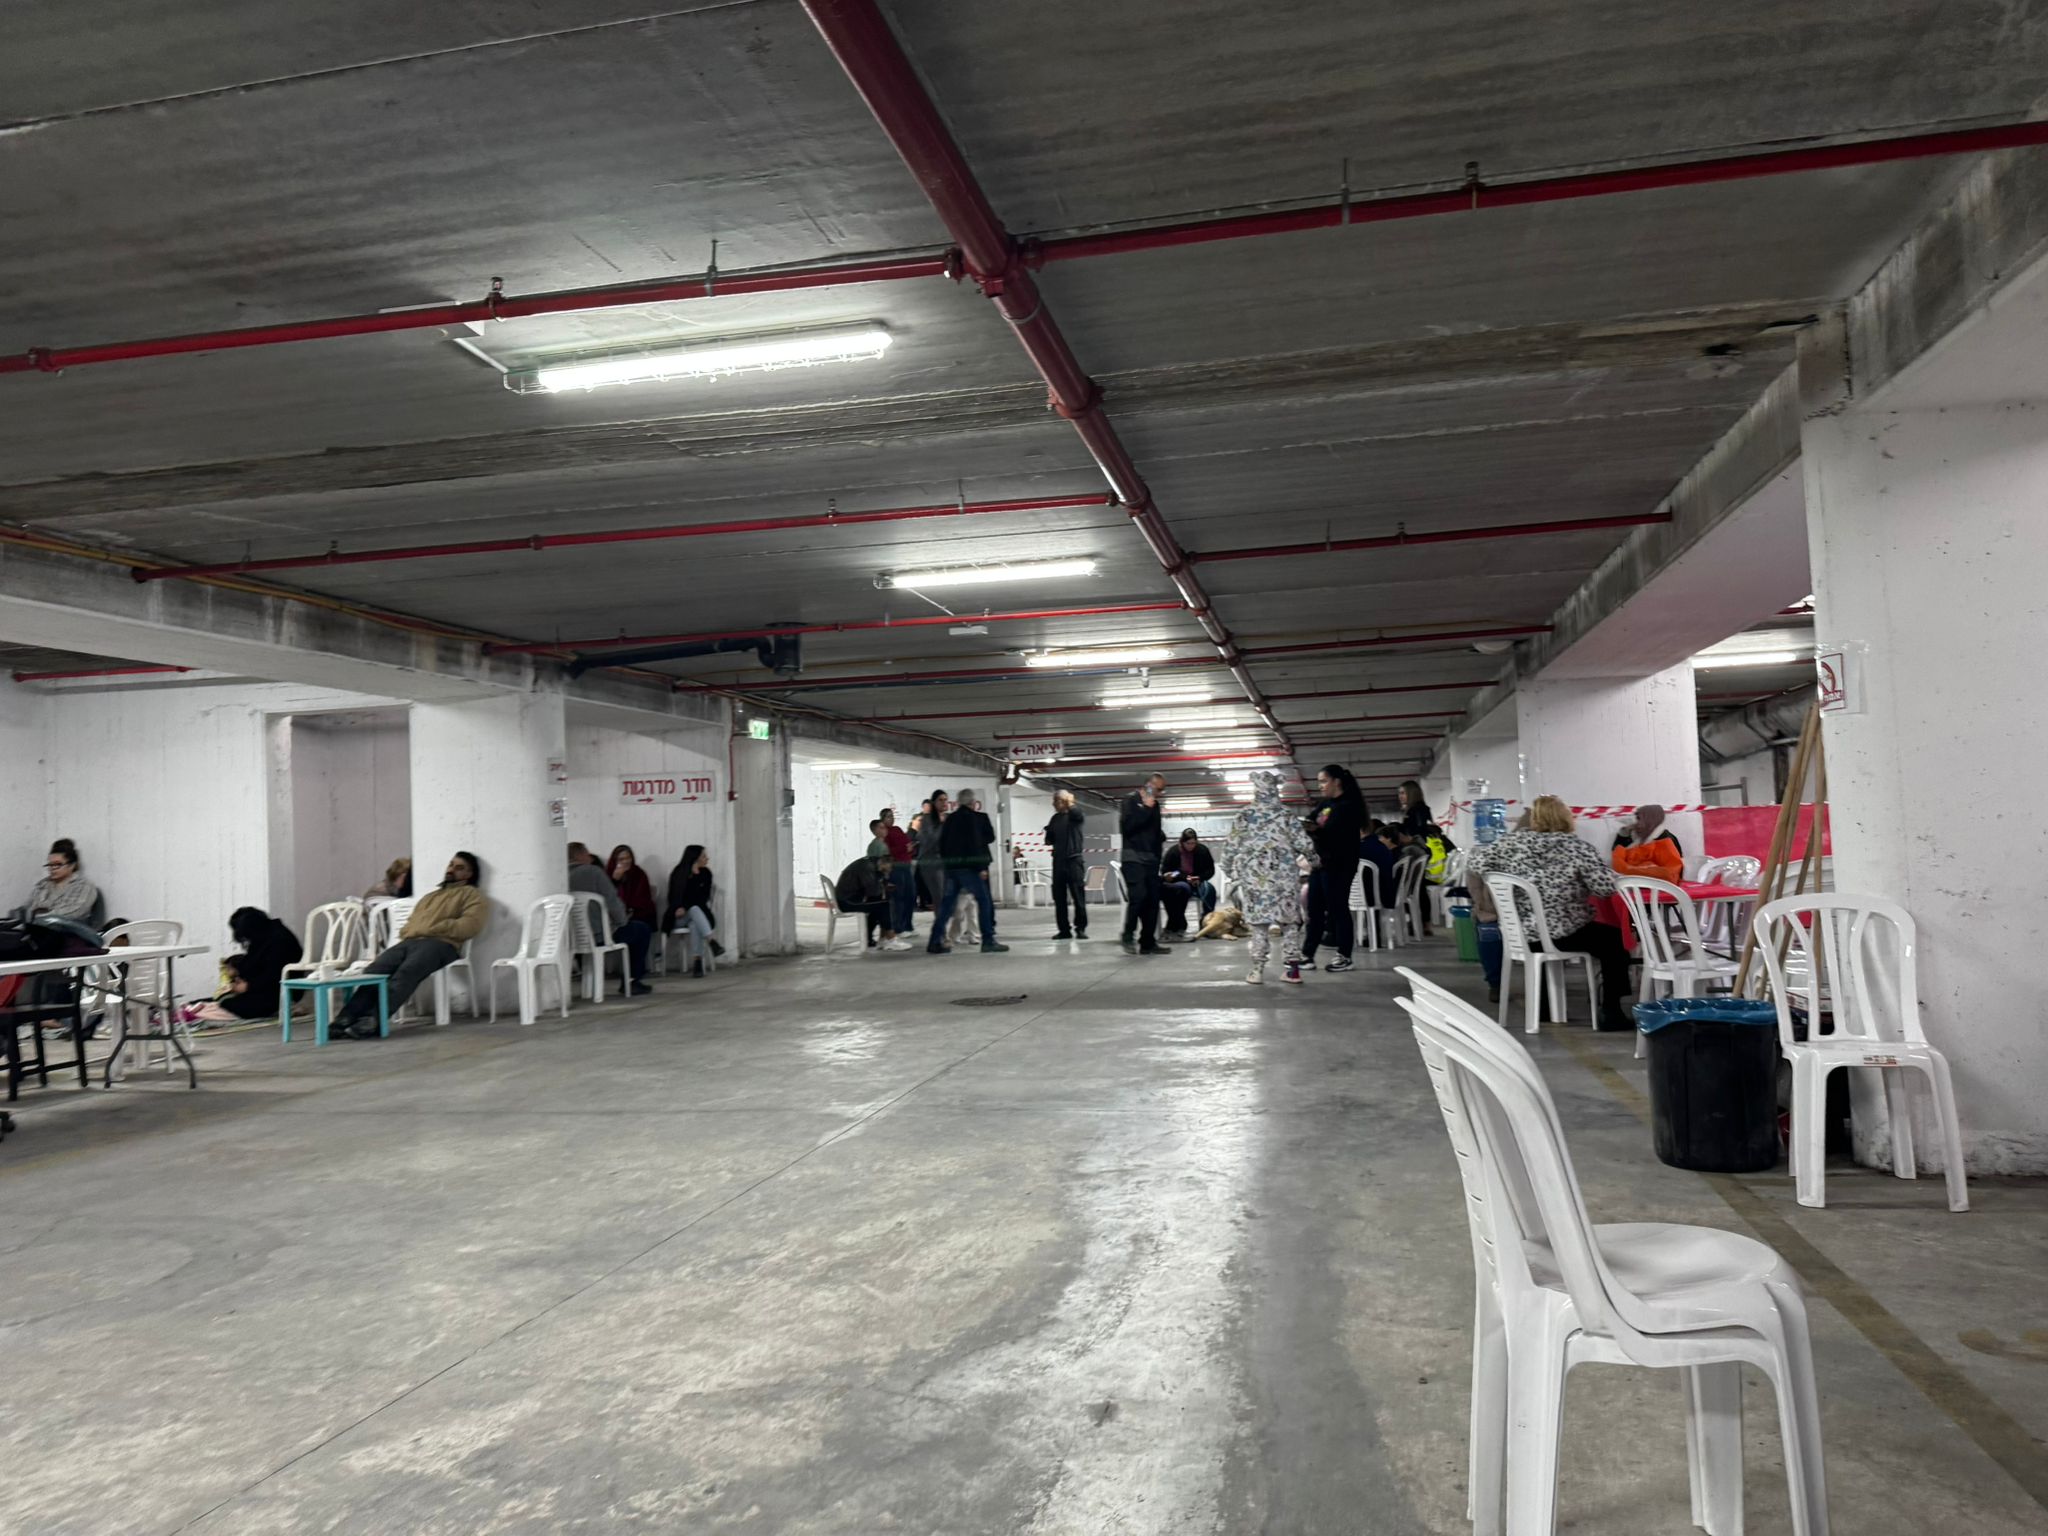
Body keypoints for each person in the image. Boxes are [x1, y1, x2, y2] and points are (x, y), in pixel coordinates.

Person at [1466, 795, 1633, 1031]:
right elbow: (1604, 888)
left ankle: (1543, 1006)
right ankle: (1612, 1010)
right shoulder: (1576, 847)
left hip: (1522, 933)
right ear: (1566, 818)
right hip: (1567, 932)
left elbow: (1474, 864)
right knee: (1614, 941)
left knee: (1550, 935)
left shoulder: (1508, 844)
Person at [333, 851, 489, 1039]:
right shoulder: (430, 897)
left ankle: (373, 1020)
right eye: (451, 865)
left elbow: (470, 926)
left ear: (469, 874)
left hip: (442, 944)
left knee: (407, 971)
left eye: (459, 867)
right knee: (375, 970)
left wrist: (436, 927)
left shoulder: (472, 895)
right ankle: (346, 1018)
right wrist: (416, 931)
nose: (452, 869)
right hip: (411, 941)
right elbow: (410, 925)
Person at [1222, 771, 1319, 984]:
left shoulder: (1245, 814)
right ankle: (1293, 970)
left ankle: (1257, 970)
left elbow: (1231, 844)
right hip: (1284, 877)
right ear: (1275, 789)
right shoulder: (1286, 814)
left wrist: (1227, 868)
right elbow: (1304, 843)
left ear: (1256, 789)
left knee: (1259, 923)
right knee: (1290, 922)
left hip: (1255, 878)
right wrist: (1314, 860)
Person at [929, 787, 1006, 954]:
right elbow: (977, 843)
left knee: (947, 905)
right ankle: (988, 940)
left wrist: (947, 864)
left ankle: (934, 941)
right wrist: (980, 867)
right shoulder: (976, 818)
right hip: (970, 868)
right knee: (984, 901)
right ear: (973, 802)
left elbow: (942, 844)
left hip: (952, 868)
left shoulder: (950, 819)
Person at [1301, 765, 1363, 972]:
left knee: (1338, 908)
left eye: (1324, 781)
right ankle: (1307, 955)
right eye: (1318, 782)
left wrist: (1316, 831)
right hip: (1321, 864)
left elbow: (1336, 836)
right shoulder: (1325, 805)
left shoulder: (1349, 806)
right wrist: (1308, 827)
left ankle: (1345, 955)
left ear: (1337, 781)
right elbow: (1311, 822)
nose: (1320, 786)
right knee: (1314, 909)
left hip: (1340, 864)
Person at [569, 842, 653, 995]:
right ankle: (632, 980)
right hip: (600, 935)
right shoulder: (594, 872)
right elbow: (612, 900)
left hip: (573, 938)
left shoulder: (559, 876)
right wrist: (622, 921)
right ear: (581, 855)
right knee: (641, 930)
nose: (590, 857)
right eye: (587, 854)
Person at [191, 906, 302, 1021]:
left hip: (280, 991)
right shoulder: (263, 936)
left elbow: (274, 975)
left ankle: (285, 1008)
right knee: (220, 1000)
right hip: (262, 988)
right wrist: (237, 971)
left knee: (229, 1004)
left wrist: (248, 986)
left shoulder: (280, 940)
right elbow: (253, 962)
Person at [1119, 773, 1169, 955]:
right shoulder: (1130, 800)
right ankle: (1127, 935)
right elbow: (1128, 827)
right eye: (1158, 789)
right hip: (1133, 857)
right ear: (1149, 785)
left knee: (1153, 900)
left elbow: (1156, 832)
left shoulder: (1155, 805)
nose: (1161, 793)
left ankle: (1148, 942)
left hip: (1151, 859)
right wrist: (1146, 809)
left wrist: (1158, 853)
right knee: (1138, 897)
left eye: (1162, 790)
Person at [666, 845, 721, 977]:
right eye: (703, 856)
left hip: (696, 913)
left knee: (695, 920)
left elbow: (703, 898)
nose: (707, 858)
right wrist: (680, 907)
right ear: (695, 858)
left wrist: (686, 905)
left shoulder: (706, 874)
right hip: (678, 917)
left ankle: (698, 964)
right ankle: (711, 941)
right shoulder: (679, 873)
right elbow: (672, 897)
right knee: (695, 911)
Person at [836, 852, 906, 950]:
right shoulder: (867, 868)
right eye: (889, 869)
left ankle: (879, 938)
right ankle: (890, 938)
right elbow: (872, 891)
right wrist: (884, 884)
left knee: (880, 903)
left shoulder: (872, 862)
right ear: (885, 864)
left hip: (851, 897)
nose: (889, 872)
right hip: (847, 901)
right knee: (882, 905)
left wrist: (883, 885)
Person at [1045, 790, 1089, 941]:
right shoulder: (1055, 818)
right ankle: (1064, 929)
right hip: (1058, 861)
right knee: (1059, 897)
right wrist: (1048, 834)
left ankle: (1081, 928)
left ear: (1063, 802)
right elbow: (1049, 839)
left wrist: (1069, 802)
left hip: (1073, 861)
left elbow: (1077, 813)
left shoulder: (1075, 816)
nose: (1053, 804)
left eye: (1055, 801)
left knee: (1078, 896)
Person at [1158, 828, 1217, 938]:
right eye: (1188, 843)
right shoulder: (1173, 852)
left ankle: (1207, 920)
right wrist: (1184, 877)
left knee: (1210, 890)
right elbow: (1167, 872)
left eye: (1193, 843)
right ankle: (1179, 922)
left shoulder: (1202, 850)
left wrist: (1199, 877)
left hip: (1199, 880)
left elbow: (1210, 870)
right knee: (1181, 890)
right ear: (1182, 842)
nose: (1191, 846)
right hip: (1181, 881)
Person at [28, 839, 101, 926]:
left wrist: (44, 914)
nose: (52, 868)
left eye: (57, 864)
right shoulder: (42, 885)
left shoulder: (84, 886)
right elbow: (31, 909)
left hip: (70, 933)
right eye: (50, 865)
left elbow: (75, 912)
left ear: (72, 865)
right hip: (40, 929)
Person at [1611, 803, 1685, 880]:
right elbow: (1617, 852)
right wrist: (1625, 831)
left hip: (1660, 885)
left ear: (1650, 819)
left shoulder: (1665, 839)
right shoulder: (1641, 838)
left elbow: (1672, 871)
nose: (1636, 823)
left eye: (1639, 818)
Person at [879, 808, 918, 939]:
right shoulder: (885, 833)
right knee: (899, 898)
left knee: (911, 896)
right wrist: (904, 848)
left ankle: (908, 925)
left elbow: (906, 843)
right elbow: (888, 851)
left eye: (892, 816)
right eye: (888, 817)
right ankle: (898, 927)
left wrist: (910, 848)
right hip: (896, 867)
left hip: (906, 865)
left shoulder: (897, 830)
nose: (892, 818)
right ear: (883, 819)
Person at [915, 790, 950, 923]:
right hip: (930, 861)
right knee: (939, 897)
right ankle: (941, 931)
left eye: (945, 800)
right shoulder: (926, 819)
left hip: (944, 861)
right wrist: (941, 824)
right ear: (934, 802)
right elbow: (930, 840)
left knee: (949, 896)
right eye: (940, 800)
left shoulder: (947, 818)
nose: (944, 803)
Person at [606, 845, 659, 927]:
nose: (625, 861)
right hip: (614, 916)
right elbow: (607, 897)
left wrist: (629, 909)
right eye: (621, 859)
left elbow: (643, 897)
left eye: (628, 858)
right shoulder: (608, 873)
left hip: (636, 913)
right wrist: (615, 881)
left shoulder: (639, 873)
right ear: (615, 861)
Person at [1358, 821, 1402, 911]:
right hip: (1387, 894)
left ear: (1361, 831)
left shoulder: (1357, 849)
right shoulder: (1382, 847)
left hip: (1367, 897)